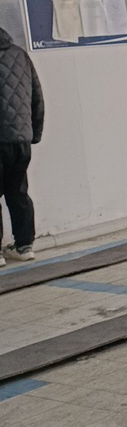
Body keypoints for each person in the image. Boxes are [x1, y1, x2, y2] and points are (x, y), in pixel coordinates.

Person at [0, 26, 44, 264]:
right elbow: (36, 96)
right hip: (21, 139)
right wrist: (34, 133)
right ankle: (24, 246)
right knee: (18, 192)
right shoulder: (20, 54)